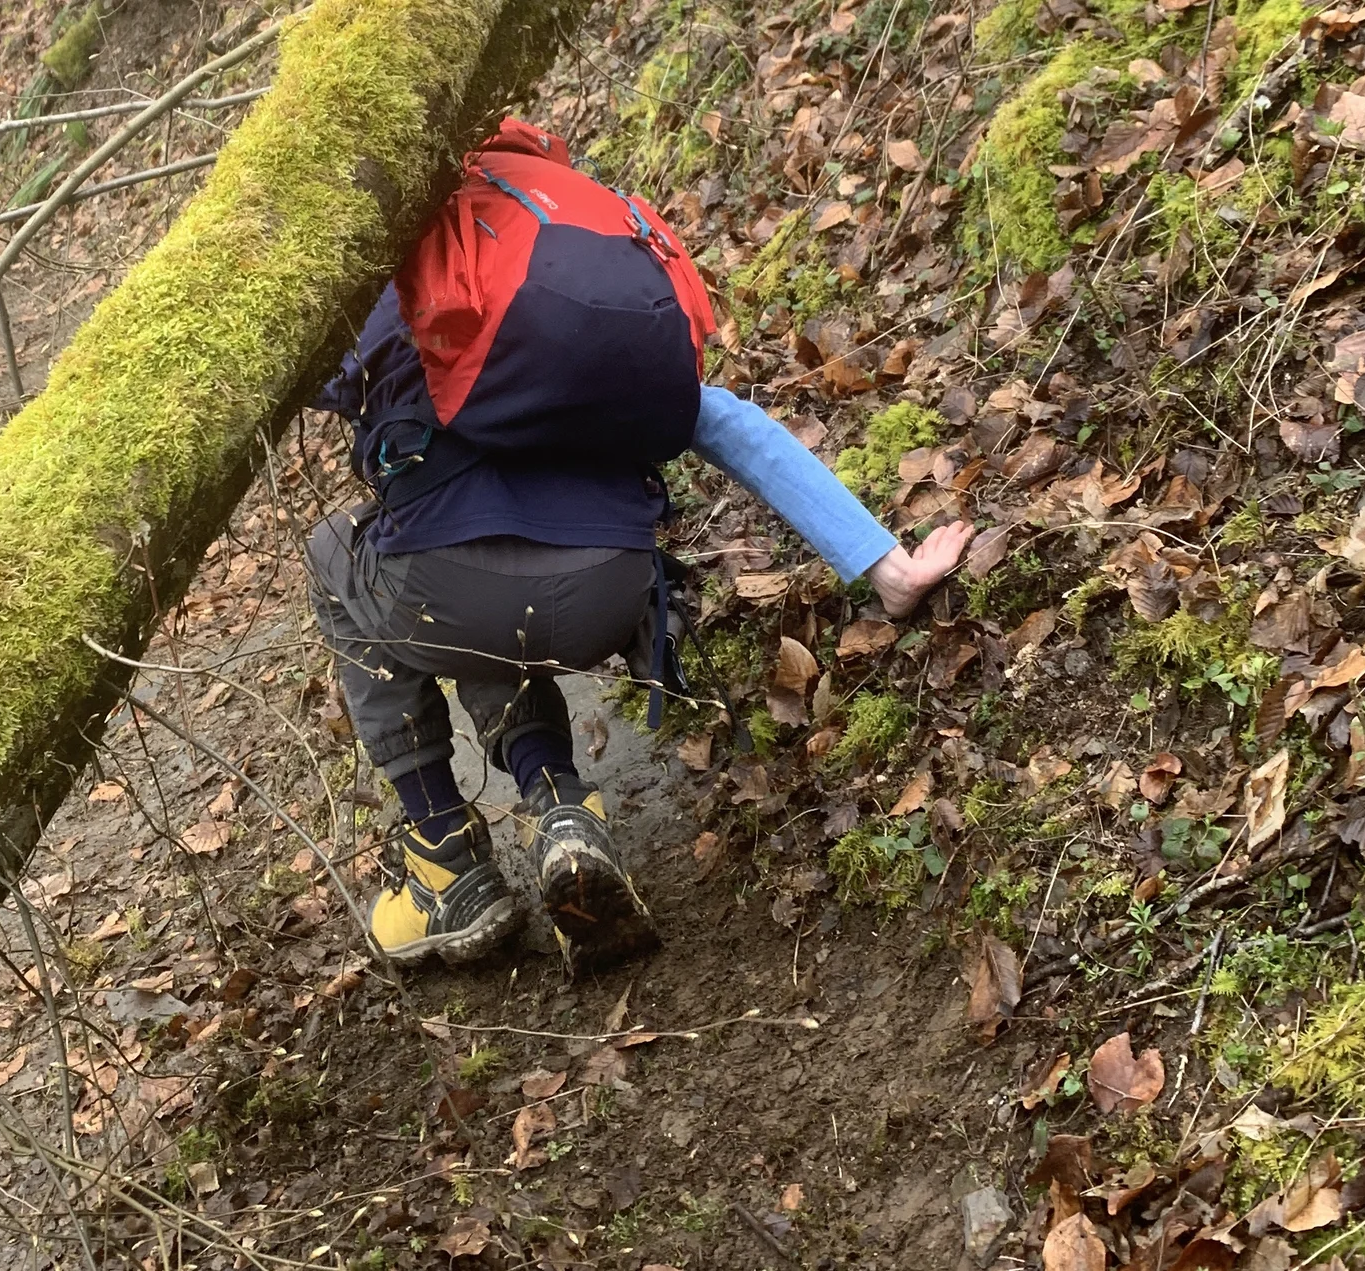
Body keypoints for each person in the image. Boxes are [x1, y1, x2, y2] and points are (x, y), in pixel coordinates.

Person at [305, 118, 972, 971]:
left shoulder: (404, 276)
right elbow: (729, 424)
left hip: (460, 591)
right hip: (612, 590)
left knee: (346, 555)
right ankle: (565, 814)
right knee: (473, 584)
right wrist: (887, 564)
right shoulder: (559, 275)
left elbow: (316, 379)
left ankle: (445, 862)